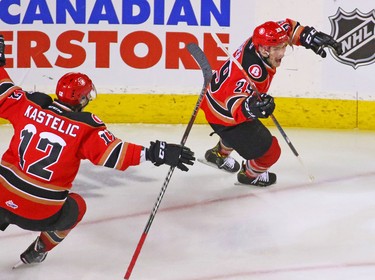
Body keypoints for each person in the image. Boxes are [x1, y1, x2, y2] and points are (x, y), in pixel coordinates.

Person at [0, 35, 195, 267]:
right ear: (82, 99)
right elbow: (116, 154)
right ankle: (40, 248)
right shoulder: (85, 127)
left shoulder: (27, 105)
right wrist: (156, 153)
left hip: (2, 197)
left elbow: (3, 89)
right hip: (41, 213)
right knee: (77, 206)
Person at [200, 19, 342, 186]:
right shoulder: (254, 72)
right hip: (224, 116)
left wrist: (308, 36)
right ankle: (250, 174)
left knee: (245, 125)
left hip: (213, 97)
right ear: (263, 50)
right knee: (271, 151)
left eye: (284, 47)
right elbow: (235, 107)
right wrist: (251, 108)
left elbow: (287, 27)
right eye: (277, 49)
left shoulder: (259, 42)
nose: (282, 53)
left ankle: (219, 153)